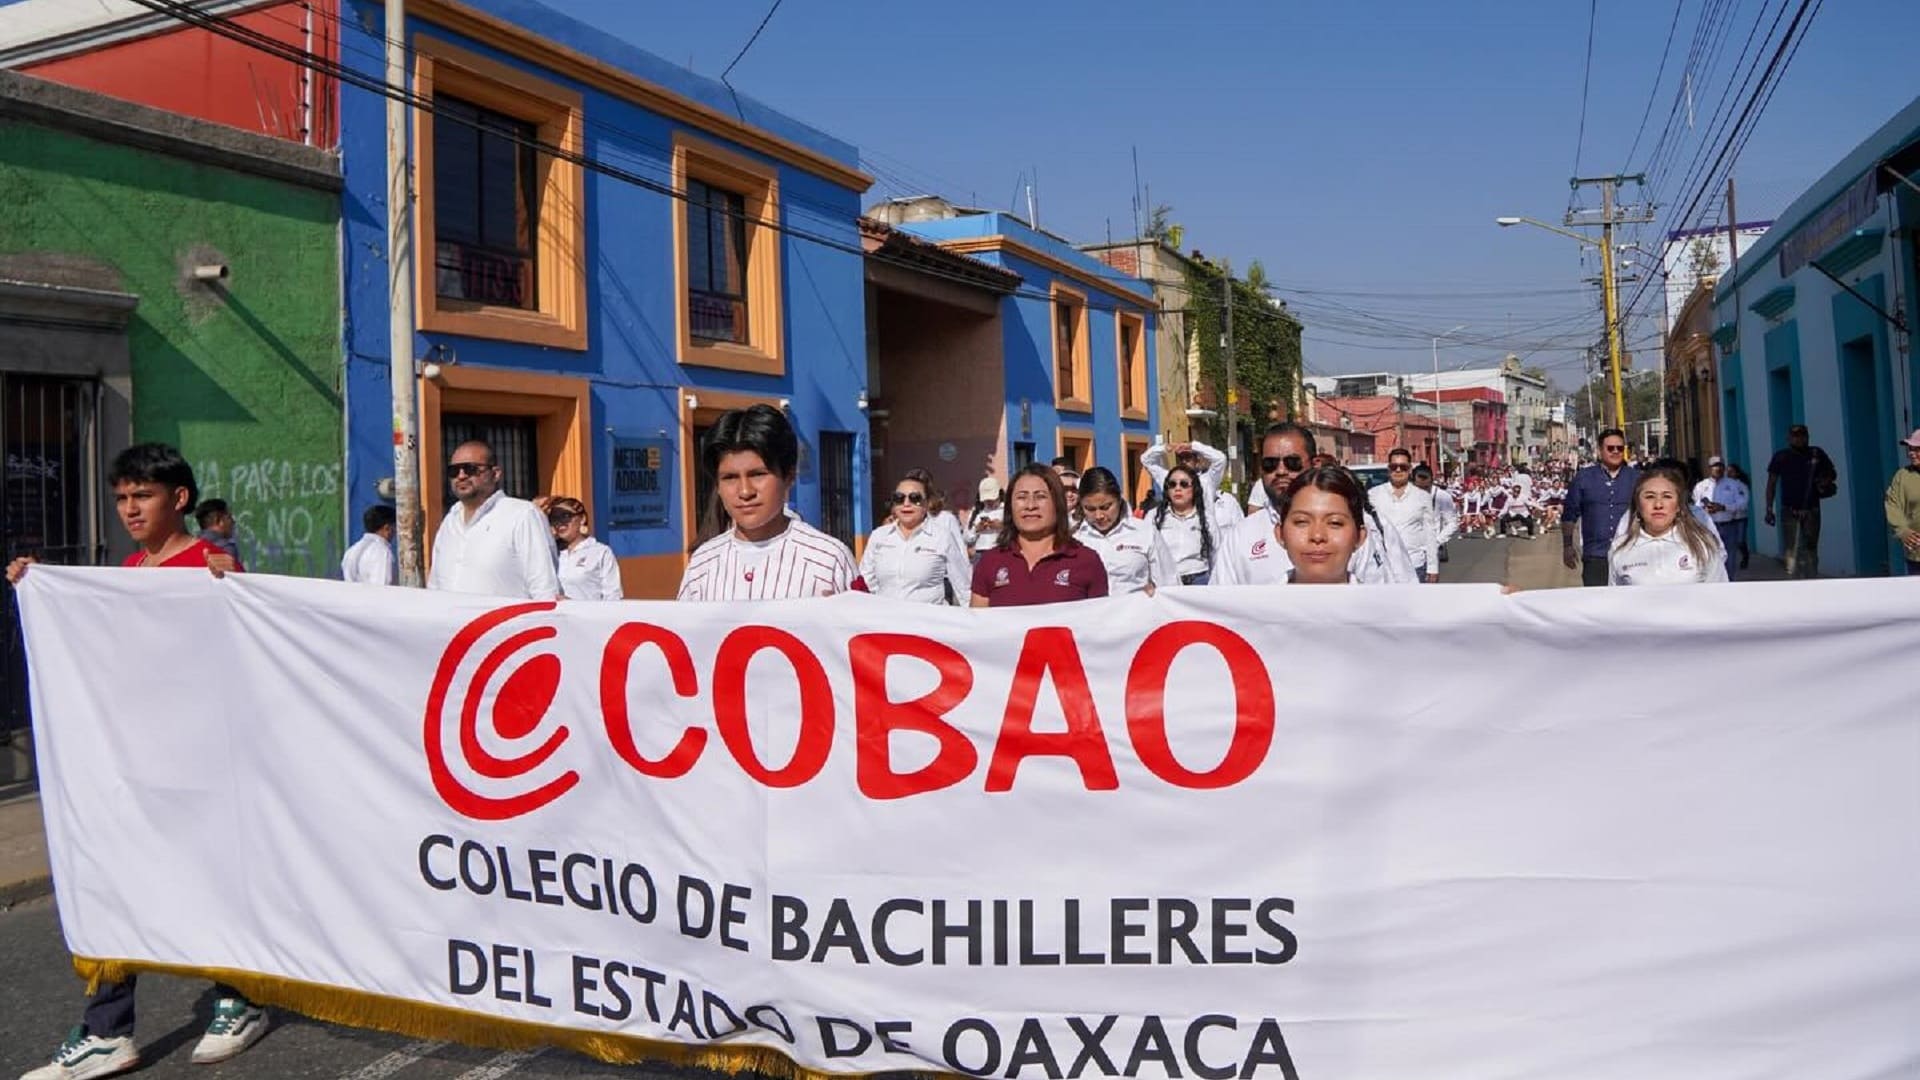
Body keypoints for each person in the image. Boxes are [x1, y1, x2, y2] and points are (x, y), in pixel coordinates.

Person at [8, 443, 264, 1080]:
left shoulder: (210, 564)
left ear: (178, 500)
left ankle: (238, 997)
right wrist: (39, 587)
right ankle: (107, 1026)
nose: (128, 509)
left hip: (198, 766)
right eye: (121, 498)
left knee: (203, 884)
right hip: (132, 766)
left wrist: (231, 585)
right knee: (118, 882)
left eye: (141, 496)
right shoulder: (128, 567)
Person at [679, 405, 854, 601]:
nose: (745, 491)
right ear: (717, 486)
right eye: (730, 478)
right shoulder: (703, 564)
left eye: (758, 474)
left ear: (788, 477)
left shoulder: (828, 561)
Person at [1213, 422, 1417, 585]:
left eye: (1292, 463)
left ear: (1313, 463)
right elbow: (1219, 610)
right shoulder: (1241, 535)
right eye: (1270, 464)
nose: (1281, 471)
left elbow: (1394, 601)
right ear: (1280, 535)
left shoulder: (1360, 526)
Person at [427, 441, 559, 600]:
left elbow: (545, 588)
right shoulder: (450, 522)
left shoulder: (522, 515)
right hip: (452, 624)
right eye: (454, 471)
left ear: (495, 473)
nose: (461, 476)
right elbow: (435, 586)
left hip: (506, 624)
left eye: (471, 469)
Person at [970, 463, 1107, 606]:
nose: (1030, 506)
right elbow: (977, 625)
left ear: (1058, 503)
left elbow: (1100, 623)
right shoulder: (989, 562)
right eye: (1021, 497)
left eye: (1040, 497)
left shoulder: (1087, 561)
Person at [859, 469, 971, 604]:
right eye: (899, 498)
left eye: (915, 498)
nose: (906, 503)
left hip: (928, 621)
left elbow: (963, 586)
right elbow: (866, 580)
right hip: (887, 620)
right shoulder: (879, 536)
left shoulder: (942, 537)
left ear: (926, 503)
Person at [1610, 462, 1729, 585]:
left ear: (1679, 506)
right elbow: (1615, 599)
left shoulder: (1703, 544)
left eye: (1667, 496)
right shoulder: (1620, 548)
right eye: (1650, 497)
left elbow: (1720, 596)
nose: (1658, 505)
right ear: (1638, 504)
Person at [1072, 467, 1179, 595]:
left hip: (1136, 611)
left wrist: (1156, 595)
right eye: (1090, 509)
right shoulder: (1074, 538)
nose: (1099, 515)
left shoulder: (1144, 532)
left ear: (1119, 499)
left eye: (1106, 507)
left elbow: (1170, 583)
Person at [1561, 428, 1639, 587]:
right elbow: (1569, 515)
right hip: (1596, 555)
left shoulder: (1637, 478)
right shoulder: (1583, 478)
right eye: (1610, 448)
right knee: (1597, 606)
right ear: (1600, 450)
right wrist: (1567, 546)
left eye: (1620, 448)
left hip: (1632, 553)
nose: (1616, 452)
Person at [1277, 465, 1375, 585]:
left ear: (1360, 537)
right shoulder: (1255, 602)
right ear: (1280, 534)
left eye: (1335, 523)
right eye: (1301, 522)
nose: (1317, 536)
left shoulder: (1381, 603)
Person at [1763, 423, 1838, 579]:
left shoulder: (1816, 454)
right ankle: (1796, 583)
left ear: (1807, 437)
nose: (1799, 439)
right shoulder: (1781, 456)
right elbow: (1771, 484)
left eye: (1802, 436)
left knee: (1811, 548)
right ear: (1789, 438)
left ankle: (1811, 581)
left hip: (1811, 509)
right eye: (1795, 436)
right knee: (1791, 551)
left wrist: (1824, 481)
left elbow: (1832, 473)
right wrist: (1769, 509)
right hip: (1790, 511)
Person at [1367, 449, 1440, 582]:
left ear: (1410, 469)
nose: (1398, 470)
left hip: (1415, 564)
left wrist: (1433, 567)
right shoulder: (1373, 495)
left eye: (1403, 467)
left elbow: (1430, 533)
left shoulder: (1423, 497)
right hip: (1384, 566)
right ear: (1388, 469)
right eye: (1394, 467)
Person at [1142, 438, 1242, 528]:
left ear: (1196, 461)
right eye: (1181, 459)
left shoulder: (1207, 481)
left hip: (1204, 530)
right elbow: (1145, 459)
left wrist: (1193, 446)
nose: (1184, 461)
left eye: (1188, 458)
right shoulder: (1170, 479)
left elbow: (1220, 459)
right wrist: (1164, 448)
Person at [1149, 462, 1215, 585]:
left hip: (1199, 582)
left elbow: (1217, 556)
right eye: (1172, 484)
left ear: (1194, 488)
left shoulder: (1207, 519)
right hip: (1165, 583)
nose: (1177, 488)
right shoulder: (1154, 517)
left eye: (1184, 484)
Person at [546, 497, 623, 601]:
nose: (560, 523)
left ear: (582, 519)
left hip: (589, 616)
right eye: (554, 518)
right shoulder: (550, 553)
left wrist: (574, 605)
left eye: (565, 516)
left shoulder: (601, 552)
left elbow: (613, 598)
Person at [1691, 456, 1750, 581]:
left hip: (1728, 525)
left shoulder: (1734, 485)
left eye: (1720, 465)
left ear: (1724, 467)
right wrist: (1705, 509)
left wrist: (1724, 507)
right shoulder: (1701, 486)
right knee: (1710, 557)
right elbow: (1696, 506)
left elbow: (1742, 503)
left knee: (1729, 557)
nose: (1717, 468)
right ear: (1709, 468)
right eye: (1714, 466)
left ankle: (1729, 583)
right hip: (1708, 527)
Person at [1886, 429, 1920, 575]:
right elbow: (1893, 504)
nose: (1911, 453)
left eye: (1917, 449)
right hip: (1916, 554)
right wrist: (1902, 530)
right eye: (1910, 449)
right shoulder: (1903, 476)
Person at [340, 503, 396, 585]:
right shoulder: (383, 552)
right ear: (387, 528)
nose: (395, 531)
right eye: (394, 527)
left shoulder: (350, 551)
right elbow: (383, 588)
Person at [1415, 464, 1459, 563]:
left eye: (1426, 487)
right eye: (1419, 487)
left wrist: (1438, 541)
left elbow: (1452, 523)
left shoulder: (1442, 496)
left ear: (1431, 482)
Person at [964, 476, 1005, 560]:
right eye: (986, 500)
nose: (989, 502)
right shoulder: (977, 511)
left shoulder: (1006, 509)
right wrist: (977, 529)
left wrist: (1002, 526)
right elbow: (966, 538)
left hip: (1001, 551)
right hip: (980, 553)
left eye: (992, 499)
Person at [1727, 463, 1753, 569]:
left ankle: (1745, 556)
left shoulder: (1741, 485)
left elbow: (1744, 501)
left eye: (1731, 471)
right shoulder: (1725, 485)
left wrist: (1733, 507)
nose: (1728, 473)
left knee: (1740, 540)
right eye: (1727, 471)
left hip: (1740, 517)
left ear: (1737, 473)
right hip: (1729, 517)